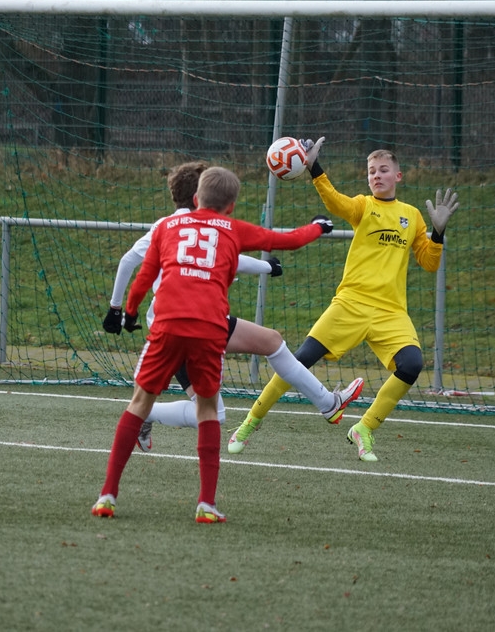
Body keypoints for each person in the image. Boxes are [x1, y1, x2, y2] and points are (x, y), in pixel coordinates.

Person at [91, 166, 347, 523]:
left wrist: (129, 312)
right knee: (210, 412)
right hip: (209, 330)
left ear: (197, 198)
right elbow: (286, 240)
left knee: (138, 403)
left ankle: (107, 496)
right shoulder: (231, 228)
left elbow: (144, 276)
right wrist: (318, 226)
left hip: (166, 327)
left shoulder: (166, 227)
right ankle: (206, 505)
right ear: (231, 206)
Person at [227, 139, 460, 462]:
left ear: (398, 176)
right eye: (371, 171)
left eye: (383, 170)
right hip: (350, 303)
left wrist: (438, 232)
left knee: (411, 365)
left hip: (391, 312)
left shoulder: (412, 216)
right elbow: (336, 203)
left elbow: (429, 262)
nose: (376, 176)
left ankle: (364, 428)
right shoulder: (364, 206)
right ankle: (248, 423)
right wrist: (314, 168)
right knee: (298, 360)